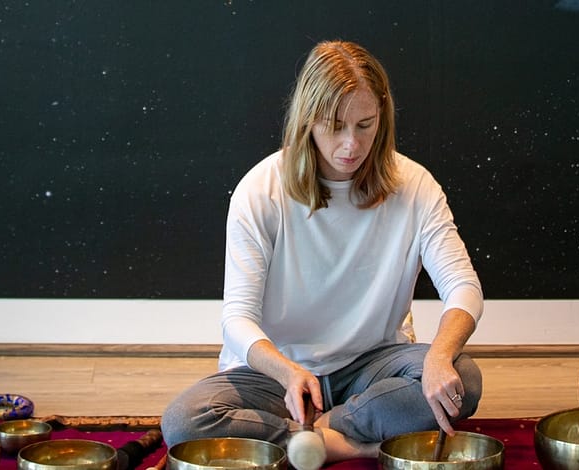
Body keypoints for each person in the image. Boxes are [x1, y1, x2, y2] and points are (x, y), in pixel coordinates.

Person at [162, 40, 483, 463]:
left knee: (464, 378)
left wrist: (440, 355)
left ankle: (315, 440)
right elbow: (237, 319)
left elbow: (463, 287)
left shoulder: (416, 185)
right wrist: (287, 372)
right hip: (279, 376)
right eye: (334, 126)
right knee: (185, 421)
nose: (351, 145)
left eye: (365, 125)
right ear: (307, 120)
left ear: (382, 116)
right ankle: (358, 440)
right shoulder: (260, 190)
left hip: (370, 367)